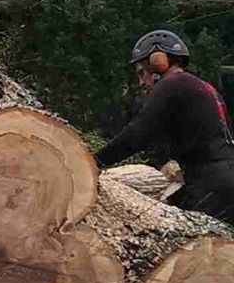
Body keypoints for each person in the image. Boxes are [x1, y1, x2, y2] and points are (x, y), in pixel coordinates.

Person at [95, 29, 234, 225]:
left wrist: (95, 161)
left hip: (210, 182)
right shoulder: (205, 88)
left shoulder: (172, 84)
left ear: (158, 62)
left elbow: (137, 134)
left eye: (142, 73)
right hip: (224, 175)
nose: (142, 82)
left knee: (197, 250)